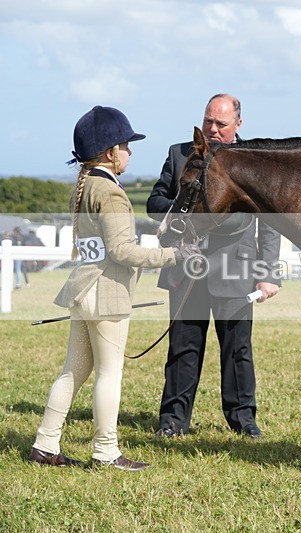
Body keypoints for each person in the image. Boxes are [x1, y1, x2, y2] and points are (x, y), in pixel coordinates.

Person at [29, 106, 199, 470]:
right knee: (109, 375)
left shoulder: (86, 186)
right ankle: (106, 451)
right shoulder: (112, 193)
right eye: (126, 145)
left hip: (83, 289)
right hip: (107, 294)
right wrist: (175, 254)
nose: (130, 152)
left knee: (73, 371)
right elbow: (123, 251)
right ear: (110, 152)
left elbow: (106, 248)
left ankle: (45, 443)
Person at [147, 94, 282, 439]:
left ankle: (243, 419)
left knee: (238, 349)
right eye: (208, 121)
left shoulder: (254, 160)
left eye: (221, 124)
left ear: (239, 124)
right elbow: (154, 201)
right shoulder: (180, 154)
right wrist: (184, 210)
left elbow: (269, 222)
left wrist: (268, 273)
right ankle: (173, 420)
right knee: (183, 347)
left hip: (236, 269)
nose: (212, 129)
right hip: (184, 267)